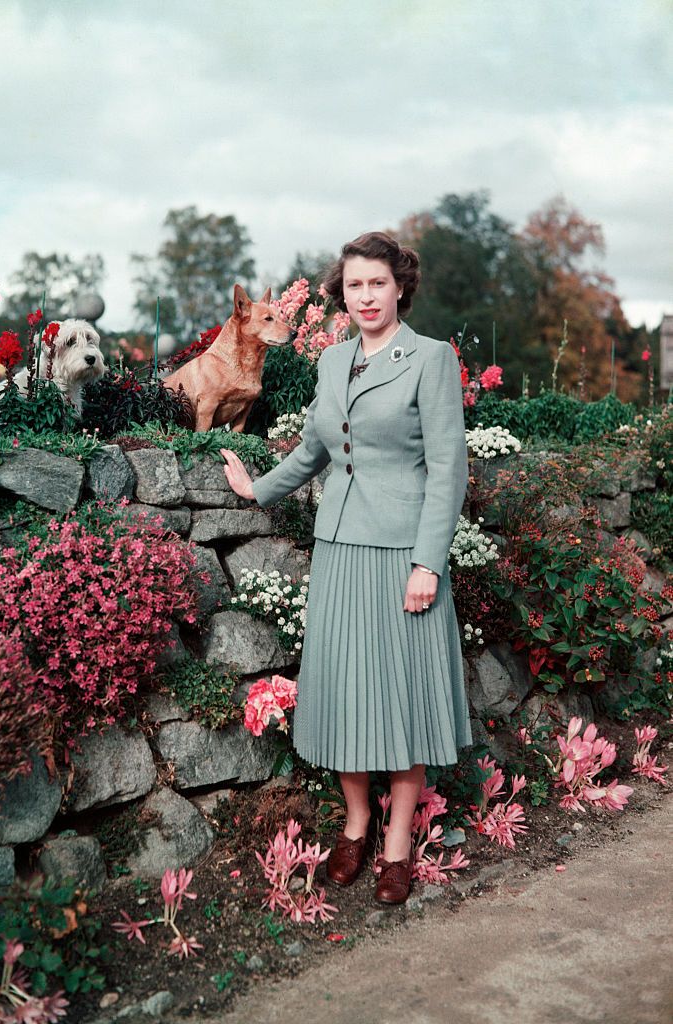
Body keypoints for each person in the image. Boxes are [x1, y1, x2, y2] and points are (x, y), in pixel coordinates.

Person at [220, 230, 472, 905]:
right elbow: (313, 450)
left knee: (404, 696)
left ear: (399, 289)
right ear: (343, 292)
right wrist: (258, 488)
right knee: (347, 691)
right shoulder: (332, 363)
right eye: (355, 284)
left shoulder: (431, 359)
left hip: (402, 557)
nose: (366, 295)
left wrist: (428, 562)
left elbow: (449, 471)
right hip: (339, 551)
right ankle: (356, 824)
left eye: (377, 284)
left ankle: (395, 843)